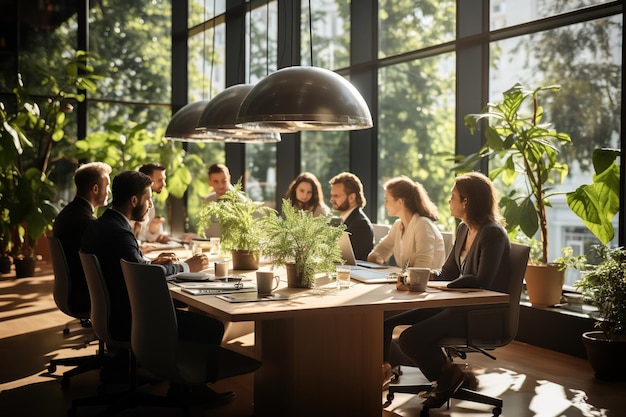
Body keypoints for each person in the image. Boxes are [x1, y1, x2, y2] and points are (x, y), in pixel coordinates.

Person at [382, 172, 510, 409]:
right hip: (456, 306)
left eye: (453, 196)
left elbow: (483, 280)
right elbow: (448, 272)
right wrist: (421, 277)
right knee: (389, 322)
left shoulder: (492, 233)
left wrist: (447, 286)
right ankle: (448, 377)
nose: (449, 201)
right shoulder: (463, 229)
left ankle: (447, 379)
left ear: (466, 201)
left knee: (410, 338)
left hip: (478, 313)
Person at [81, 170, 209, 342]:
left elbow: (129, 265)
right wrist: (187, 267)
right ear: (134, 201)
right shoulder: (121, 234)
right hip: (129, 320)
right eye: (148, 199)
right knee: (211, 328)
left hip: (107, 314)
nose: (150, 205)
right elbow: (144, 276)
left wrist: (150, 263)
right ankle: (173, 366)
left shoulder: (101, 225)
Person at [53, 162, 112, 314]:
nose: (109, 191)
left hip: (69, 291)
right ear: (95, 189)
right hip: (84, 295)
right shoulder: (87, 223)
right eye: (108, 186)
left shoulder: (65, 214)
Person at [367, 176, 446, 269]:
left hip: (426, 282)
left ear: (400, 202)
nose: (385, 205)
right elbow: (380, 250)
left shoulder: (422, 224)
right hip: (407, 281)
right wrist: (376, 257)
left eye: (387, 200)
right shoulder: (398, 225)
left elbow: (423, 267)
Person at [329, 172, 374, 260]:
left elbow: (341, 257)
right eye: (332, 195)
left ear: (352, 197)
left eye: (336, 196)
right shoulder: (346, 220)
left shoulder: (361, 224)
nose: (332, 200)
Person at [133, 163, 169, 244]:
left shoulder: (150, 203)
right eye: (160, 180)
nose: (164, 184)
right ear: (147, 179)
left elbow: (145, 236)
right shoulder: (132, 203)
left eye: (164, 179)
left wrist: (157, 235)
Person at [203, 163, 235, 237]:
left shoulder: (241, 202)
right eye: (216, 182)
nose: (220, 186)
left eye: (224, 181)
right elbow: (206, 231)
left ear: (229, 179)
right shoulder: (208, 201)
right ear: (209, 182)